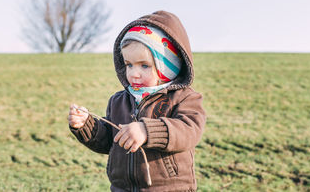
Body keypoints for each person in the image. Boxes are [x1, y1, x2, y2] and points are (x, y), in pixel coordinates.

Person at [68, 10, 206, 191]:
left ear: (167, 67)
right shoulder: (119, 101)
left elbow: (190, 130)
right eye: (129, 64)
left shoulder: (184, 98)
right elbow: (109, 140)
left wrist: (147, 131)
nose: (134, 73)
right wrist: (86, 125)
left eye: (145, 65)